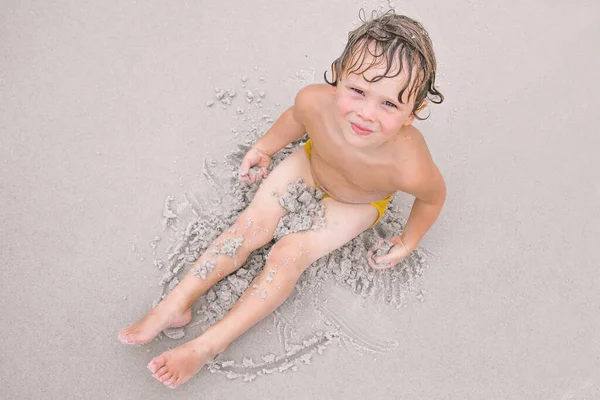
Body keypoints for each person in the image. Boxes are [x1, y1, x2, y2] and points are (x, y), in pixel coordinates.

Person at [118, 11, 446, 388]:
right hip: (308, 164)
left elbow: (433, 198)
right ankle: (173, 305)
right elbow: (294, 121)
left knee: (289, 253)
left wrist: (409, 240)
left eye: (389, 105)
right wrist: (264, 147)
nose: (365, 113)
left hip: (356, 203)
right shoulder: (315, 102)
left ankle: (208, 345)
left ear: (414, 112)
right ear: (338, 76)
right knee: (249, 226)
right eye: (357, 91)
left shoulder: (409, 162)